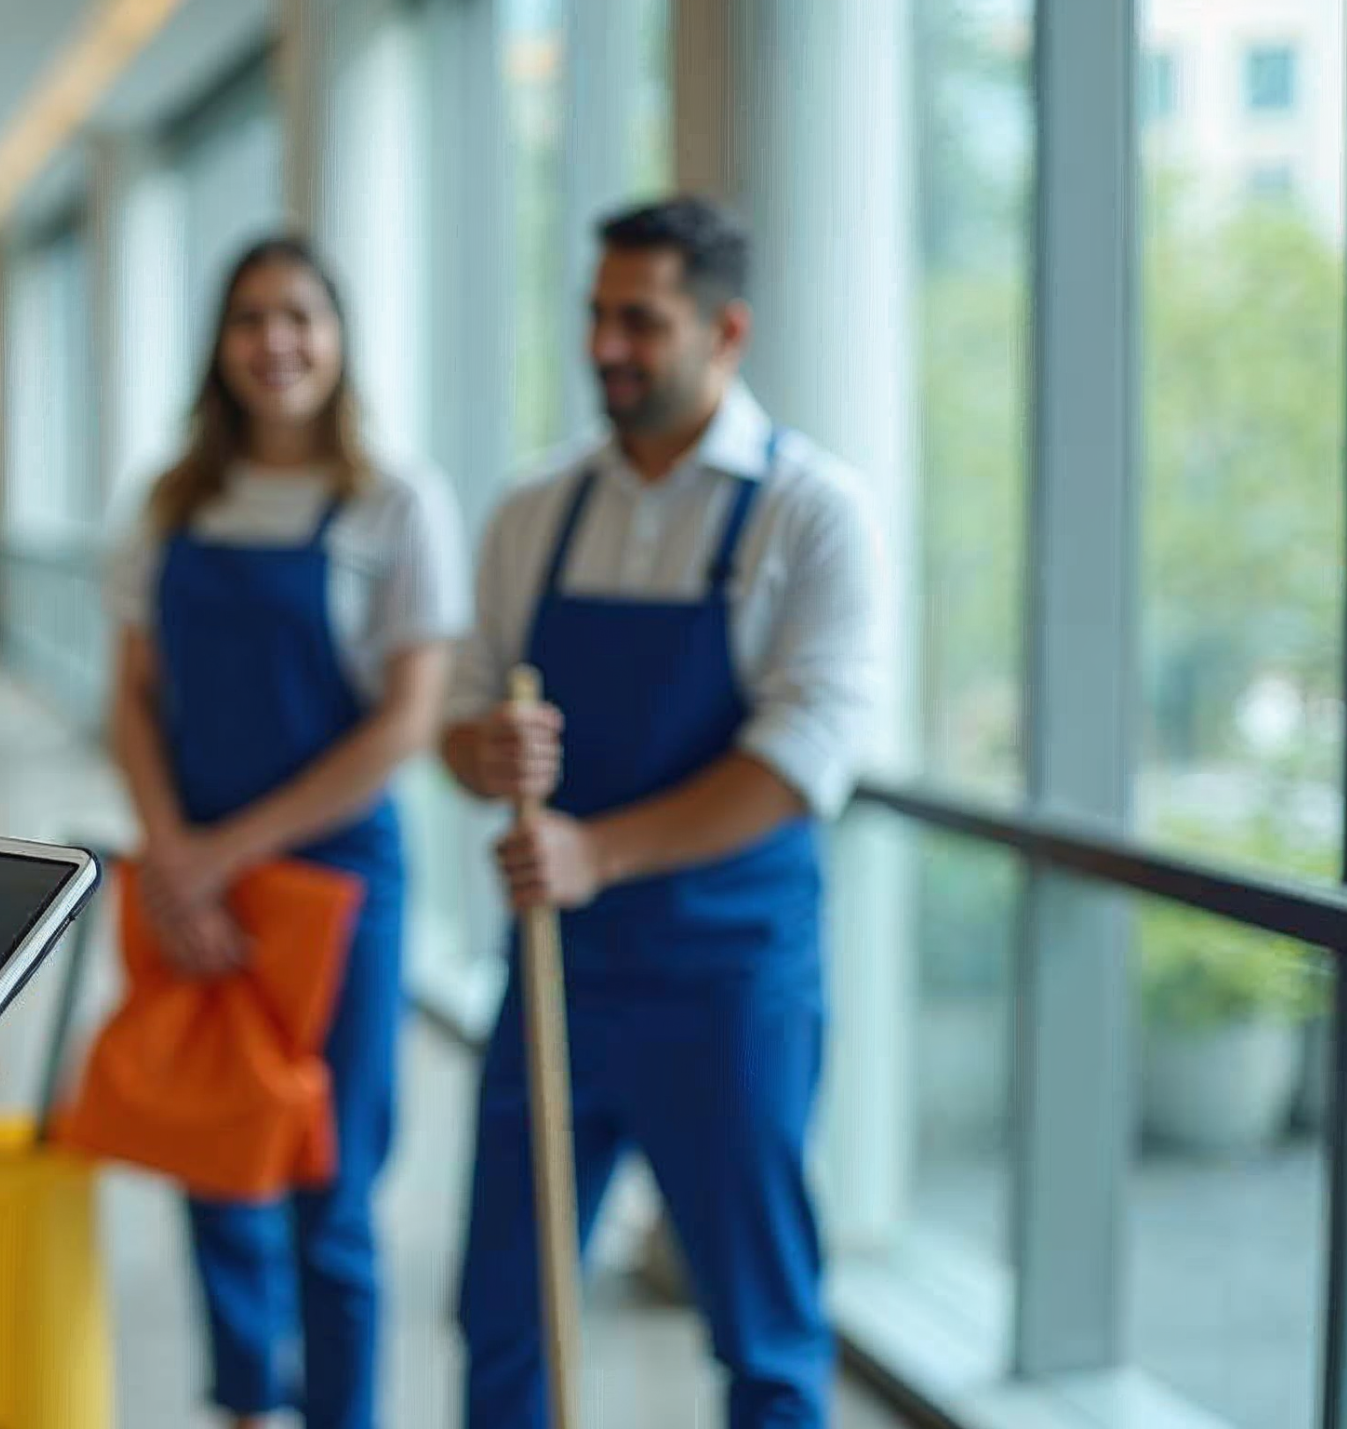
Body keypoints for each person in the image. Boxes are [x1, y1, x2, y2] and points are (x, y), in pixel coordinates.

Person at [441, 196, 883, 1429]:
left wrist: (598, 848)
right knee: (506, 1310)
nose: (606, 346)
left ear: (724, 330)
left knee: (763, 1324)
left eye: (641, 320)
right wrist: (478, 748)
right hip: (553, 972)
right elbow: (458, 716)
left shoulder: (809, 513)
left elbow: (800, 759)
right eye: (595, 316)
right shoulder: (535, 512)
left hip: (730, 982)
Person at [107, 235, 470, 1429]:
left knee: (335, 1178)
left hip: (336, 887)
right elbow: (134, 697)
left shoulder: (396, 502)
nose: (278, 343)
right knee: (215, 1152)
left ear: (339, 336)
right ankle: (248, 1405)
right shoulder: (171, 503)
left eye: (302, 317)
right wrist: (172, 858)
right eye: (252, 318)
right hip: (194, 879)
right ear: (220, 345)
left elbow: (405, 725)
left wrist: (222, 851)